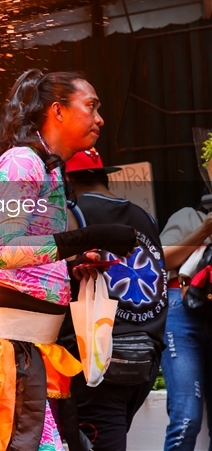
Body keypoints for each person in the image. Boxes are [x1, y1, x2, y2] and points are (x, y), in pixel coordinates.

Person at [0, 69, 137, 451]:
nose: (99, 119)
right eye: (91, 106)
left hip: (31, 352)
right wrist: (91, 236)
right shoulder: (21, 162)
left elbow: (33, 253)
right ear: (58, 111)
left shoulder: (49, 170)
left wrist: (73, 262)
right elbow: (7, 249)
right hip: (6, 354)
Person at [58, 148, 166, 451]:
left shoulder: (73, 213)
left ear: (67, 180)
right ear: (105, 174)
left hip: (98, 361)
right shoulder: (145, 216)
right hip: (143, 357)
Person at [159, 145, 212, 451]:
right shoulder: (189, 217)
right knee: (187, 418)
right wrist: (205, 230)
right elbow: (161, 261)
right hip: (182, 311)